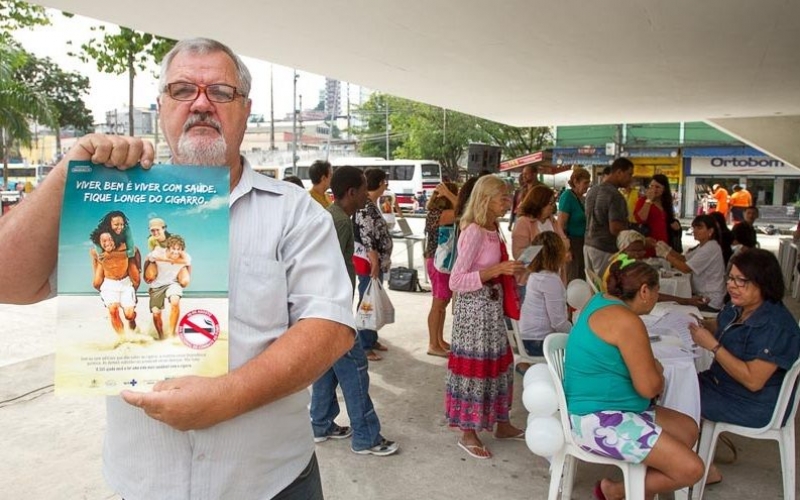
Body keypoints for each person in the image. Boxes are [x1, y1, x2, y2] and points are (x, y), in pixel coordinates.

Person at [0, 38, 356, 499]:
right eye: (184, 90)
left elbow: (329, 325)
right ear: (162, 105)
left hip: (272, 482)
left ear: (246, 110)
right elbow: (9, 282)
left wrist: (227, 398)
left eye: (221, 92)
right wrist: (69, 173)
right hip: (143, 483)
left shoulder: (295, 212)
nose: (202, 104)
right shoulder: (105, 202)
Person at [564, 260, 704, 500]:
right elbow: (650, 388)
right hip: (597, 418)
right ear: (644, 291)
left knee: (688, 429)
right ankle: (616, 491)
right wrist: (657, 370)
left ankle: (638, 489)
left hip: (609, 406)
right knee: (692, 469)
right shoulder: (627, 321)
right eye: (657, 291)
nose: (657, 297)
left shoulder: (600, 300)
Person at [689, 249, 800, 487]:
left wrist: (714, 346)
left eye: (741, 280)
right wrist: (701, 324)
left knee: (674, 396)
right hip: (722, 385)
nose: (732, 285)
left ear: (764, 282)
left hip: (753, 403)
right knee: (668, 386)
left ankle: (695, 468)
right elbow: (719, 324)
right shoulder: (739, 307)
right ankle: (692, 459)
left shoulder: (775, 326)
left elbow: (753, 380)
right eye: (730, 278)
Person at [310, 165, 399, 456]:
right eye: (363, 189)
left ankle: (321, 423)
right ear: (351, 192)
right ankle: (366, 436)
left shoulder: (336, 218)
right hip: (332, 311)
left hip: (326, 309)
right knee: (356, 369)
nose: (367, 194)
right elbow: (324, 270)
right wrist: (337, 316)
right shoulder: (341, 223)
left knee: (328, 368)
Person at [446, 175, 526, 460]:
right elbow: (455, 281)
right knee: (475, 370)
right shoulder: (474, 231)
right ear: (485, 199)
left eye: (508, 196)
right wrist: (496, 271)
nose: (509, 202)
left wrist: (510, 270)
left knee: (499, 364)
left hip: (491, 308)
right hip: (475, 312)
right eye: (503, 197)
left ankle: (500, 422)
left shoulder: (493, 228)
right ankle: (468, 432)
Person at [354, 167, 393, 361]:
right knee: (367, 302)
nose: (386, 185)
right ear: (379, 183)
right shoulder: (366, 206)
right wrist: (375, 262)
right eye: (385, 181)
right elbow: (367, 236)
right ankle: (364, 344)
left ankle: (372, 338)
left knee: (374, 298)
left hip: (377, 263)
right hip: (370, 264)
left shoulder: (372, 203)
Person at [518, 231, 571, 366]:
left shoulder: (536, 276)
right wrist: (578, 333)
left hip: (528, 339)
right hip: (539, 342)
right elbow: (558, 323)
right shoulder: (549, 280)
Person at [656, 214, 726, 311]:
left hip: (710, 300)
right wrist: (668, 249)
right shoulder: (703, 246)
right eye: (694, 228)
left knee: (673, 307)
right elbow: (684, 259)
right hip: (703, 295)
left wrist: (666, 255)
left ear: (710, 231)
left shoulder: (711, 247)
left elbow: (686, 268)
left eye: (699, 228)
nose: (695, 231)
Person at [423, 181, 459, 357]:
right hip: (439, 263)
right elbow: (466, 211)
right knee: (438, 304)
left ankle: (439, 340)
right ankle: (432, 344)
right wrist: (450, 194)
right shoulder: (441, 214)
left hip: (441, 262)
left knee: (442, 303)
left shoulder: (436, 213)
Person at [584, 158, 633, 275]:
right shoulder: (615, 195)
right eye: (629, 174)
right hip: (605, 249)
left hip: (588, 245)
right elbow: (615, 228)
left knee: (593, 288)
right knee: (605, 288)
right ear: (619, 172)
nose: (630, 179)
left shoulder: (592, 190)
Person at [91, 231, 139, 336]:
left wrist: (138, 270)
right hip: (109, 284)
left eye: (110, 239)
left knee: (129, 315)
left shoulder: (124, 248)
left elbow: (135, 251)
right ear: (99, 242)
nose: (108, 242)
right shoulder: (96, 253)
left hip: (125, 284)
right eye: (104, 240)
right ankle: (122, 339)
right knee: (113, 310)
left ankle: (132, 319)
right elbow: (96, 265)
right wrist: (98, 283)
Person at [144, 234, 192, 340]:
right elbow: (147, 260)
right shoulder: (157, 253)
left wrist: (185, 280)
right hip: (157, 285)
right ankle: (161, 336)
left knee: (175, 302)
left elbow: (188, 267)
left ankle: (171, 334)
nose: (175, 252)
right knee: (156, 313)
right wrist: (145, 277)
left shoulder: (186, 257)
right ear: (168, 247)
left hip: (173, 284)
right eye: (173, 249)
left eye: (178, 249)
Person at [89, 210, 141, 288]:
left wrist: (113, 254)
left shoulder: (126, 229)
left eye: (122, 224)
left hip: (121, 253)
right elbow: (101, 256)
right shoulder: (100, 233)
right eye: (116, 224)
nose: (120, 227)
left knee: (136, 280)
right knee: (97, 284)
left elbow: (132, 252)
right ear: (109, 224)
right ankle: (105, 293)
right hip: (107, 257)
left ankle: (132, 294)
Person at [633, 174, 681, 257]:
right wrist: (649, 200)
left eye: (657, 187)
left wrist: (675, 225)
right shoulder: (643, 201)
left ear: (664, 189)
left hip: (664, 247)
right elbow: (641, 219)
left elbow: (668, 221)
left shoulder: (665, 203)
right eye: (651, 186)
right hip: (648, 245)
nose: (654, 189)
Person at [557, 167, 590, 282]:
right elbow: (560, 225)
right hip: (572, 242)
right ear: (575, 181)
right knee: (573, 277)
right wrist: (566, 248)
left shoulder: (581, 198)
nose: (587, 186)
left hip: (582, 242)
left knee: (581, 276)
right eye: (585, 183)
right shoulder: (567, 197)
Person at [508, 164, 540, 230]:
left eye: (526, 174)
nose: (523, 176)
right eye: (523, 174)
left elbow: (552, 208)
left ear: (534, 174)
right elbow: (515, 207)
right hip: (519, 221)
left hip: (534, 223)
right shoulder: (521, 189)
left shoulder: (542, 189)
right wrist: (511, 222)